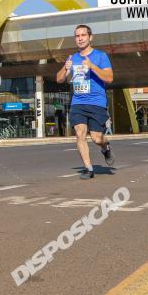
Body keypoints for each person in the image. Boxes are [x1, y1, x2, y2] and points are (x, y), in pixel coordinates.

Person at [55, 24, 115, 180]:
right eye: (77, 36)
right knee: (80, 134)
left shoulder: (101, 56)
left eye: (83, 35)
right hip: (78, 102)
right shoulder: (72, 58)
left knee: (96, 138)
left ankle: (105, 147)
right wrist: (65, 68)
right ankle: (89, 169)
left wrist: (92, 66)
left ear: (90, 37)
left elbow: (109, 78)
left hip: (96, 102)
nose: (80, 38)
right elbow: (59, 79)